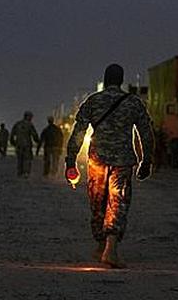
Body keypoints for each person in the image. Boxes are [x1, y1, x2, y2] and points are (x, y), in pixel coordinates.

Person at [66, 63, 155, 268]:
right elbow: (146, 133)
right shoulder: (133, 103)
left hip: (97, 160)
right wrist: (146, 160)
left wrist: (71, 160)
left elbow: (78, 132)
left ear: (105, 80)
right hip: (123, 161)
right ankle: (111, 248)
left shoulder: (93, 101)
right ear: (121, 81)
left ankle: (101, 245)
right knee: (118, 201)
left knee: (97, 201)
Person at [10, 111, 40, 178]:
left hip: (19, 145)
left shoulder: (18, 124)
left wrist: (13, 142)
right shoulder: (29, 125)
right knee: (27, 159)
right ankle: (26, 172)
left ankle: (20, 172)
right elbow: (34, 134)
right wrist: (38, 142)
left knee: (20, 159)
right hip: (27, 145)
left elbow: (12, 134)